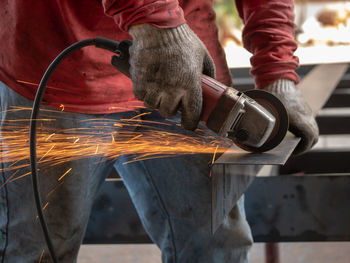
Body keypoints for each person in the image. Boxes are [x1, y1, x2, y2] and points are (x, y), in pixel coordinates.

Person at [0, 0, 318, 262]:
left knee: (216, 248)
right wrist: (158, 23)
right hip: (58, 64)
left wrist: (278, 74)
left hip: (189, 73)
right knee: (35, 251)